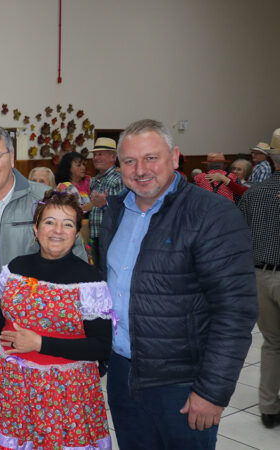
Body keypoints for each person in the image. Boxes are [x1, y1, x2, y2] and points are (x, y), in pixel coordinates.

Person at [98, 119, 257, 448]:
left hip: (182, 384)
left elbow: (235, 311)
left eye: (151, 158)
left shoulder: (211, 215)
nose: (140, 170)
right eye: (130, 161)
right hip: (123, 374)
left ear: (175, 157)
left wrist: (211, 391)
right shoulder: (115, 212)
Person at [0, 190, 113, 449]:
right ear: (36, 229)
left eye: (67, 223)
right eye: (49, 222)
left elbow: (101, 346)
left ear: (76, 232)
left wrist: (40, 343)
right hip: (15, 387)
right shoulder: (16, 269)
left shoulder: (90, 280)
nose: (57, 230)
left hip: (65, 395)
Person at [0, 123, 86, 440]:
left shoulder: (45, 201)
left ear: (11, 156)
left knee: (42, 419)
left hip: (37, 331)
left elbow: (76, 265)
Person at [238, 133, 280, 429]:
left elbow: (240, 233)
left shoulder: (255, 193)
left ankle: (268, 408)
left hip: (260, 276)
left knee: (272, 344)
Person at [85, 137, 124, 264]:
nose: (96, 158)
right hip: (95, 235)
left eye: (100, 154)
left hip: (112, 235)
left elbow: (120, 210)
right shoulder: (95, 180)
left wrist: (104, 204)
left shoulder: (118, 179)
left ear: (113, 157)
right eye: (95, 155)